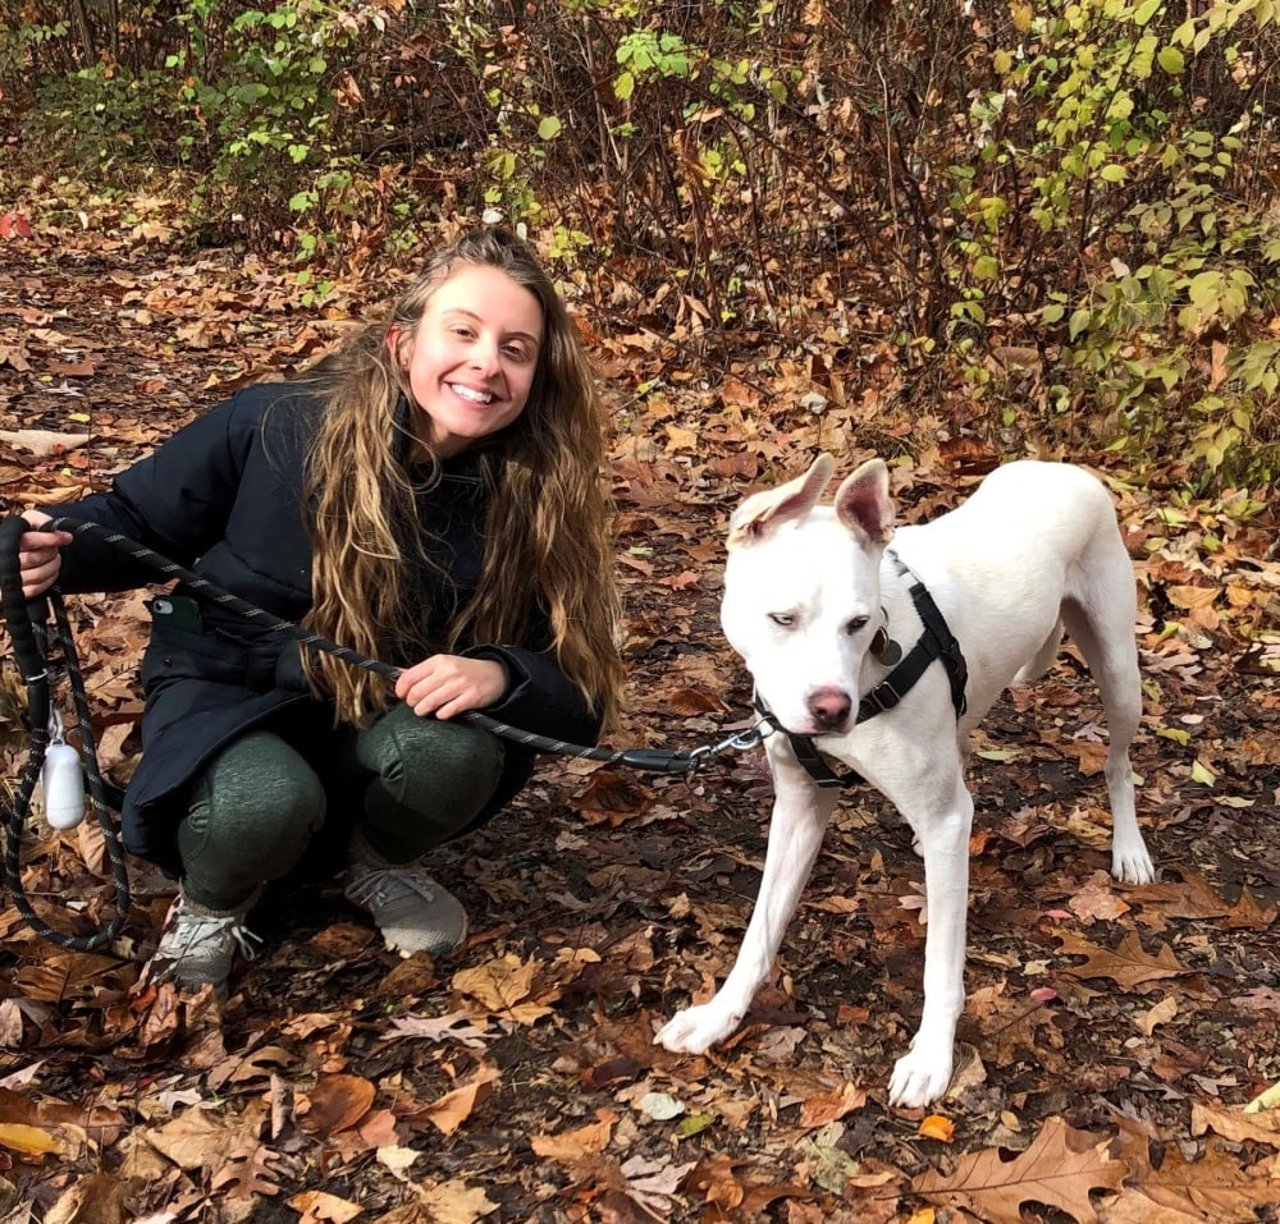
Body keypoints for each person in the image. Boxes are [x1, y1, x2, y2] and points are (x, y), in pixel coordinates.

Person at [16, 227, 624, 996]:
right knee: (260, 803)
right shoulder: (275, 425)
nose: (486, 364)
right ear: (404, 344)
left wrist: (501, 674)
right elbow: (135, 522)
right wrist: (56, 549)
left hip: (380, 713)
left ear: (538, 375)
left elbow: (583, 690)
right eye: (462, 332)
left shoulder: (541, 493)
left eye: (516, 349)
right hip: (229, 687)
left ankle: (372, 858)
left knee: (454, 756)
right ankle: (214, 900)